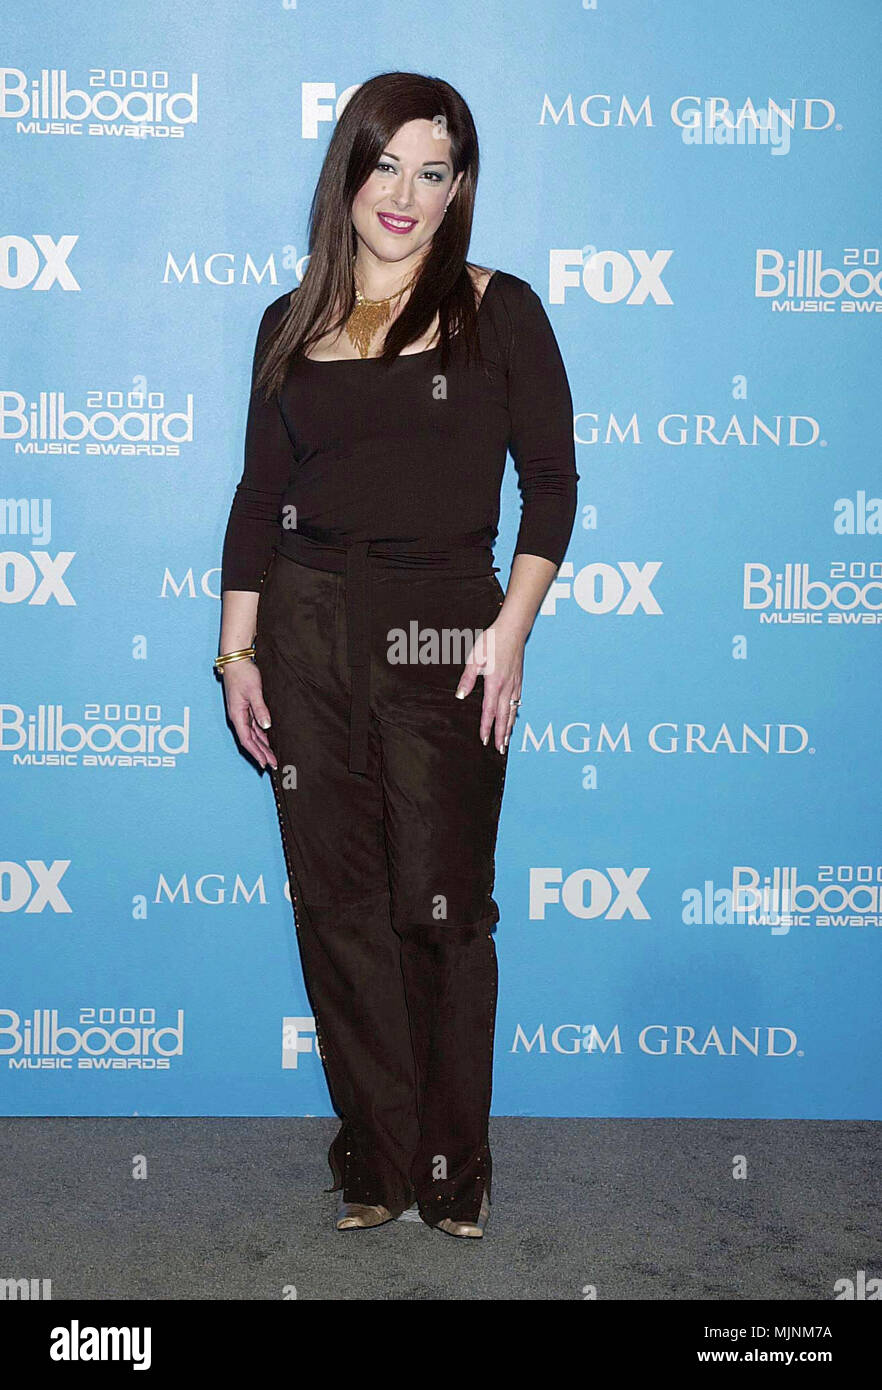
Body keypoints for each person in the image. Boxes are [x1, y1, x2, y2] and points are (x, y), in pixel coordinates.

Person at [217, 71, 578, 1239]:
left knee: (443, 905)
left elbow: (552, 487)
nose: (405, 194)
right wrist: (237, 654)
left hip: (444, 633)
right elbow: (258, 498)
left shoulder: (498, 310)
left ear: (459, 187)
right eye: (386, 166)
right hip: (305, 626)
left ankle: (452, 1163)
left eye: (433, 172)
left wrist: (510, 633)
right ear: (350, 172)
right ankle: (375, 1154)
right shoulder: (291, 322)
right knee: (339, 906)